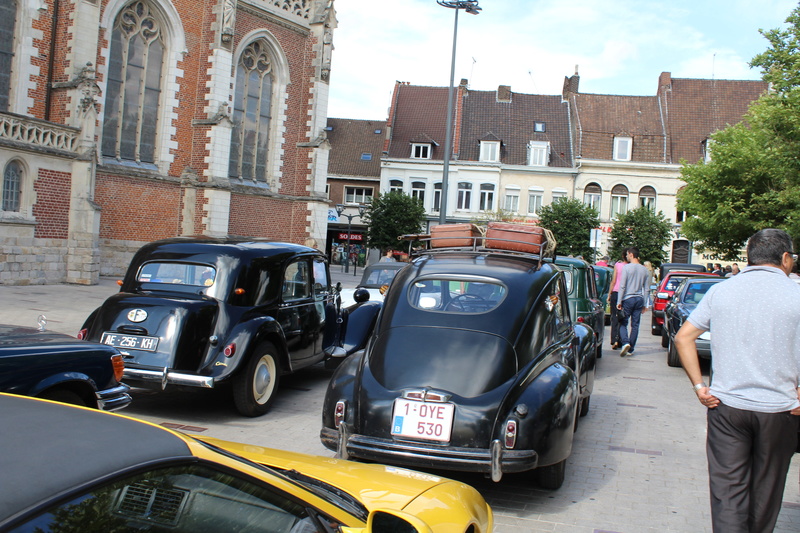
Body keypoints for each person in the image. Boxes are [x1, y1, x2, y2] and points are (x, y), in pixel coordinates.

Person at [675, 228, 800, 533]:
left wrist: (699, 387)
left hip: (726, 406)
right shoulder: (796, 294)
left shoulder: (722, 290)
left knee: (727, 491)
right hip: (780, 409)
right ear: (785, 258)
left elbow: (683, 337)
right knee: (767, 489)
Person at [616, 247, 650, 356]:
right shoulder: (644, 269)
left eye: (627, 254)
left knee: (623, 322)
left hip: (628, 298)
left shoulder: (627, 268)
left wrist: (619, 301)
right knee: (635, 325)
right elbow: (647, 288)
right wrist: (645, 304)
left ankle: (625, 342)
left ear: (631, 254)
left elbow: (622, 286)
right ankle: (631, 348)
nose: (626, 256)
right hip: (639, 299)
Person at [607, 249, 628, 350]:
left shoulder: (618, 265)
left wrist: (609, 294)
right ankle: (620, 339)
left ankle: (614, 339)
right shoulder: (630, 267)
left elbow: (614, 280)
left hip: (616, 292)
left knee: (614, 316)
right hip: (626, 294)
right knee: (623, 317)